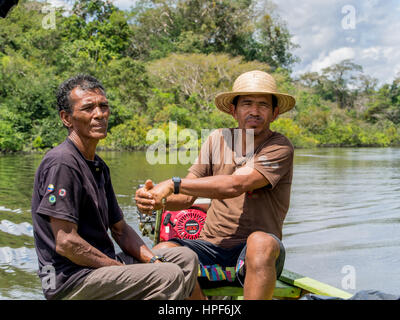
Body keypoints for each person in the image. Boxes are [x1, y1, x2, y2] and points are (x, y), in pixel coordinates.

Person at [31, 74, 198, 300]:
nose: (99, 114)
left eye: (103, 106)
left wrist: (153, 261)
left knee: (185, 258)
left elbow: (120, 229)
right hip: (71, 280)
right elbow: (66, 243)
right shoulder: (62, 163)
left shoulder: (99, 166)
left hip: (101, 269)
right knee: (168, 275)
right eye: (88, 108)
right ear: (66, 118)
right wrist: (122, 269)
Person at [135, 70, 296, 300]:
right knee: (160, 254)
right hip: (210, 247)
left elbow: (235, 185)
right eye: (247, 103)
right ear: (233, 110)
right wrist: (154, 200)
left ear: (275, 113)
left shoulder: (279, 146)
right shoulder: (218, 139)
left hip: (258, 254)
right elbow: (187, 197)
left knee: (259, 242)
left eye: (263, 105)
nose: (254, 111)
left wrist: (173, 183)